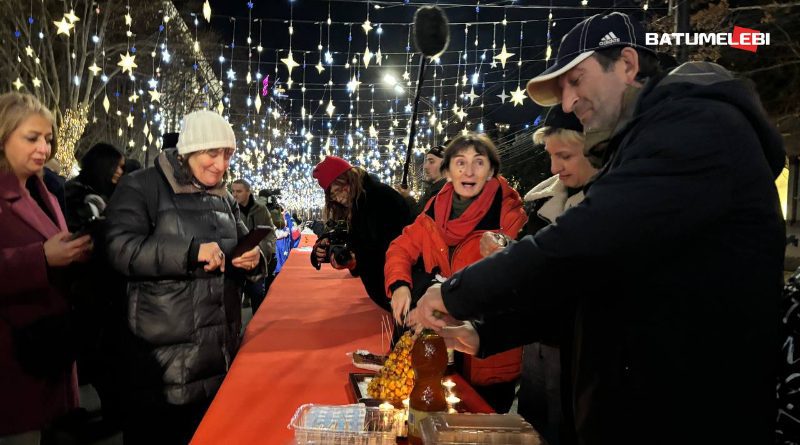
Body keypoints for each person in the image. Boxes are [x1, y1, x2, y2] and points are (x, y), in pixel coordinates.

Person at [413, 11, 785, 445]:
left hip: (690, 418)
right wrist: (487, 333)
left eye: (576, 80)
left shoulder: (696, 128)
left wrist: (457, 292)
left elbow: (578, 245)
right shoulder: (643, 144)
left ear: (627, 64)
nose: (569, 103)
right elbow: (594, 284)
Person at [104, 110, 265, 444]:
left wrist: (254, 260)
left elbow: (240, 246)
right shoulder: (142, 186)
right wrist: (190, 252)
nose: (220, 165)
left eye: (227, 154)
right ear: (189, 150)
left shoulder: (223, 198)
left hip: (218, 357)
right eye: (212, 153)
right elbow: (120, 249)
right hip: (163, 368)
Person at [384, 133, 527, 413]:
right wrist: (400, 284)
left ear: (492, 170)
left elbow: (517, 287)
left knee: (481, 428)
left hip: (487, 352)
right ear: (447, 171)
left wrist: (451, 300)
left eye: (479, 162)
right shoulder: (433, 213)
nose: (469, 171)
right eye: (460, 163)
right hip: (439, 348)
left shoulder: (509, 216)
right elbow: (400, 248)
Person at [478, 108, 594, 444]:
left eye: (565, 156)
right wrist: (509, 252)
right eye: (551, 157)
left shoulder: (609, 211)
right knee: (534, 424)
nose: (555, 168)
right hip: (536, 346)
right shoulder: (546, 204)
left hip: (575, 352)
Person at [0, 92, 92, 444]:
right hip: (13, 360)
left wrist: (76, 252)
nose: (44, 148)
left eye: (48, 139)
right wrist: (40, 258)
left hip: (49, 349)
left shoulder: (44, 192)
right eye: (32, 138)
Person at [63, 142, 127, 423]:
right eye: (117, 165)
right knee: (99, 353)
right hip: (87, 290)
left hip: (107, 286)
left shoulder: (106, 195)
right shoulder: (76, 194)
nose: (120, 171)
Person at [312, 156, 414, 312]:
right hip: (391, 293)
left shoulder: (380, 198)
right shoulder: (360, 203)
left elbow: (388, 249)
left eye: (339, 190)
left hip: (401, 290)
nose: (339, 198)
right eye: (333, 196)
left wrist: (356, 259)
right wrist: (338, 251)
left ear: (350, 179)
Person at [232, 178, 277, 314]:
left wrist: (260, 250)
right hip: (235, 260)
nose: (234, 195)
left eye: (238, 191)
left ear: (248, 192)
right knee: (233, 299)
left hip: (255, 261)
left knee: (257, 294)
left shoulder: (260, 210)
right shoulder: (229, 208)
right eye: (233, 191)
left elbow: (270, 235)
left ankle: (257, 327)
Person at [396, 143, 448, 215]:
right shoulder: (432, 191)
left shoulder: (444, 194)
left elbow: (419, 218)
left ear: (445, 166)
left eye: (431, 162)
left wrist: (407, 197)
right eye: (426, 161)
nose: (425, 166)